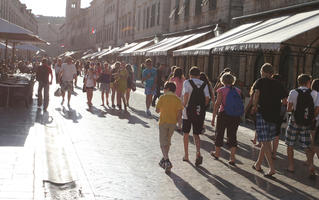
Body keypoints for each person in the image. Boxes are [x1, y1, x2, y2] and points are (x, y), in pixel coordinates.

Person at [251, 63, 287, 177]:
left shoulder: (260, 82)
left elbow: (256, 94)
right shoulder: (279, 84)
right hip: (274, 115)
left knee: (265, 141)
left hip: (262, 113)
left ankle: (272, 168)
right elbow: (285, 100)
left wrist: (254, 106)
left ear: (263, 71)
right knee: (266, 139)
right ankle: (258, 164)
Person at [285, 74, 317, 176]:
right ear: (308, 82)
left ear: (298, 82)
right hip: (306, 123)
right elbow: (317, 109)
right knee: (307, 145)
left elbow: (288, 109)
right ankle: (311, 165)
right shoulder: (314, 93)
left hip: (294, 121)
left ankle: (291, 166)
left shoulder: (293, 92)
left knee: (290, 144)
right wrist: (310, 118)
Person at [210, 73, 243, 165]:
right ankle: (232, 158)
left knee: (219, 133)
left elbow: (217, 104)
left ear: (222, 80)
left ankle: (217, 153)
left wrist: (213, 117)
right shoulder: (238, 91)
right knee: (232, 135)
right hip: (235, 116)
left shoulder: (221, 90)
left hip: (224, 114)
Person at [182, 66, 210, 166]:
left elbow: (185, 94)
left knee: (185, 133)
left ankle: (186, 155)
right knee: (196, 134)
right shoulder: (204, 84)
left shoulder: (187, 82)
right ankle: (198, 152)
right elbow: (207, 98)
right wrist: (202, 107)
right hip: (199, 112)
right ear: (199, 75)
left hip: (187, 112)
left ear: (190, 74)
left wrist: (184, 105)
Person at [156, 81, 183, 174]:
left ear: (167, 89)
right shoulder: (178, 99)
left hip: (163, 122)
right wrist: (179, 125)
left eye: (164, 88)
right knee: (167, 141)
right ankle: (163, 159)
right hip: (172, 123)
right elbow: (179, 114)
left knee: (162, 142)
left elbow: (157, 110)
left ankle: (167, 161)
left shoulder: (162, 97)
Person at [271, 74, 288, 159]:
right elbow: (285, 102)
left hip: (268, 112)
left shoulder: (268, 87)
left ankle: (267, 151)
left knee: (267, 133)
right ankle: (274, 153)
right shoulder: (282, 88)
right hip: (278, 113)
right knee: (276, 133)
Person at [170, 67, 185, 131]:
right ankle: (179, 126)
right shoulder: (184, 79)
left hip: (174, 97)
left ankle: (174, 124)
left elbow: (170, 88)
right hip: (181, 97)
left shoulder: (172, 79)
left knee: (173, 111)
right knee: (180, 112)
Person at [311, 79, 319, 165]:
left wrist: (312, 118)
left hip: (316, 120)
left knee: (313, 141)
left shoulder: (314, 94)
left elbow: (316, 109)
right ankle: (310, 159)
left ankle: (310, 161)